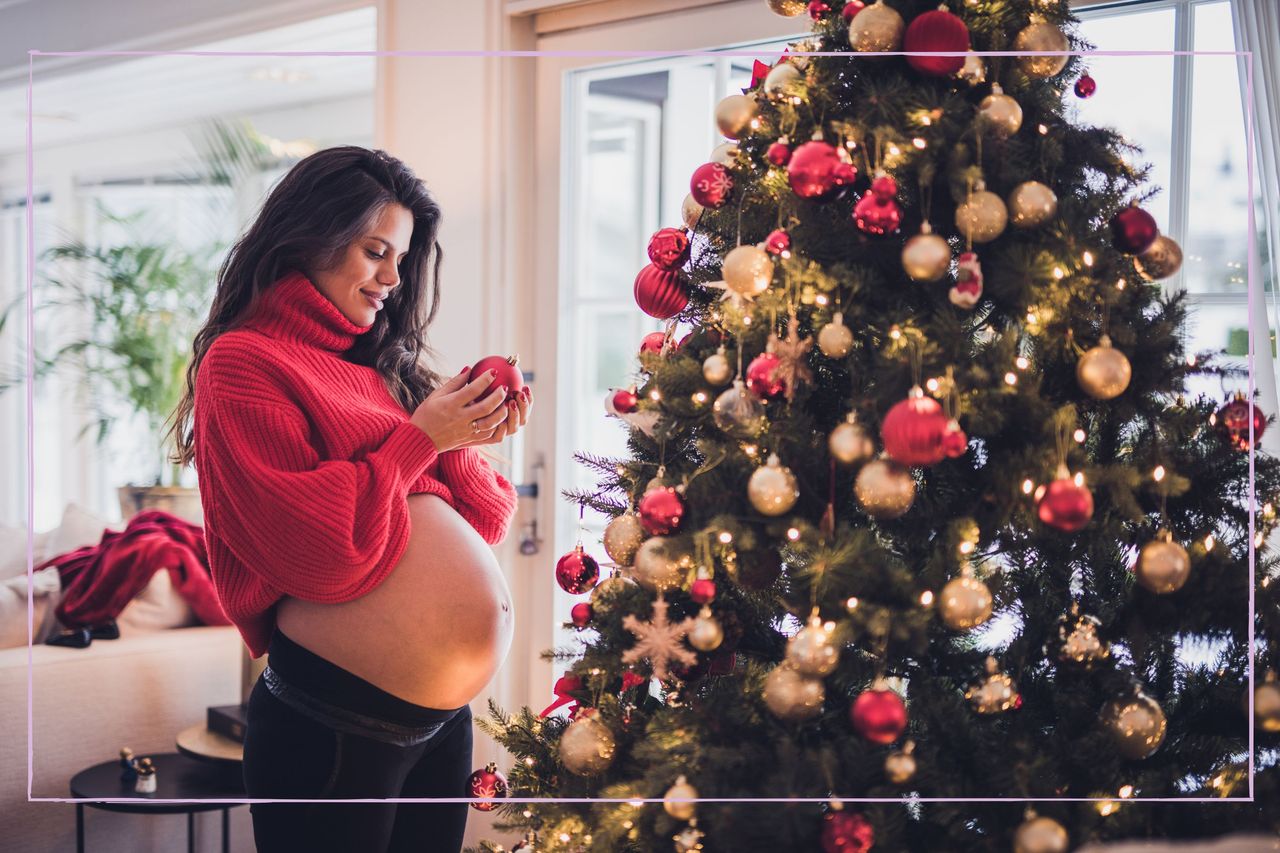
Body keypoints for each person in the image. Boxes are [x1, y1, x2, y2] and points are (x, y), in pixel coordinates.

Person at [165, 146, 529, 853]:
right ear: (311, 236)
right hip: (331, 720)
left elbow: (482, 519)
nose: (392, 277)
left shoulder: (380, 367)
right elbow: (317, 551)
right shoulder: (243, 363)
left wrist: (461, 431)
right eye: (374, 250)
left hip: (442, 722)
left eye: (401, 257)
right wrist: (420, 440)